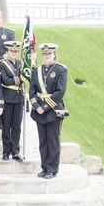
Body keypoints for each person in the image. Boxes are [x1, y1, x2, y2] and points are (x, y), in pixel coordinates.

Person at [30, 43, 68, 179]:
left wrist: (44, 107)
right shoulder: (37, 70)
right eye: (45, 54)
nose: (47, 56)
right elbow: (32, 90)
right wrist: (37, 106)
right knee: (43, 141)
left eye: (49, 54)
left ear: (54, 55)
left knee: (53, 141)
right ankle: (45, 167)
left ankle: (52, 169)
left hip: (53, 110)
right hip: (39, 109)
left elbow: (60, 92)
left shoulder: (61, 70)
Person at [0, 41, 25, 162]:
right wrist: (19, 79)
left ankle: (16, 151)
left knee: (16, 126)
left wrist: (16, 79)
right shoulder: (2, 64)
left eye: (15, 51)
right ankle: (5, 151)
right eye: (11, 51)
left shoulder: (21, 63)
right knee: (6, 126)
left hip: (18, 98)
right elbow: (5, 80)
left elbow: (26, 79)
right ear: (7, 51)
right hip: (7, 98)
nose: (13, 53)